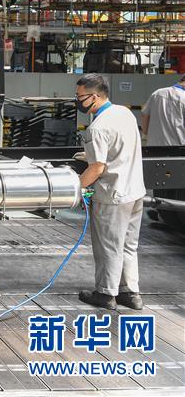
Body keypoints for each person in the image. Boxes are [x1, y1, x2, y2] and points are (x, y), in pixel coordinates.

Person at [75, 73, 146, 310]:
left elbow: (96, 168)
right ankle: (130, 293)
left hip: (112, 195)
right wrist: (91, 154)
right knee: (128, 244)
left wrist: (77, 187)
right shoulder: (124, 113)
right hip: (134, 191)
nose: (78, 101)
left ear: (94, 97)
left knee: (109, 245)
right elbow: (119, 148)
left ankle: (105, 294)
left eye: (80, 97)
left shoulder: (97, 127)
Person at [141, 74, 185, 146]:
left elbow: (145, 115)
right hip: (178, 148)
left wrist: (145, 136)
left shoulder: (157, 93)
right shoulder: (183, 97)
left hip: (153, 146)